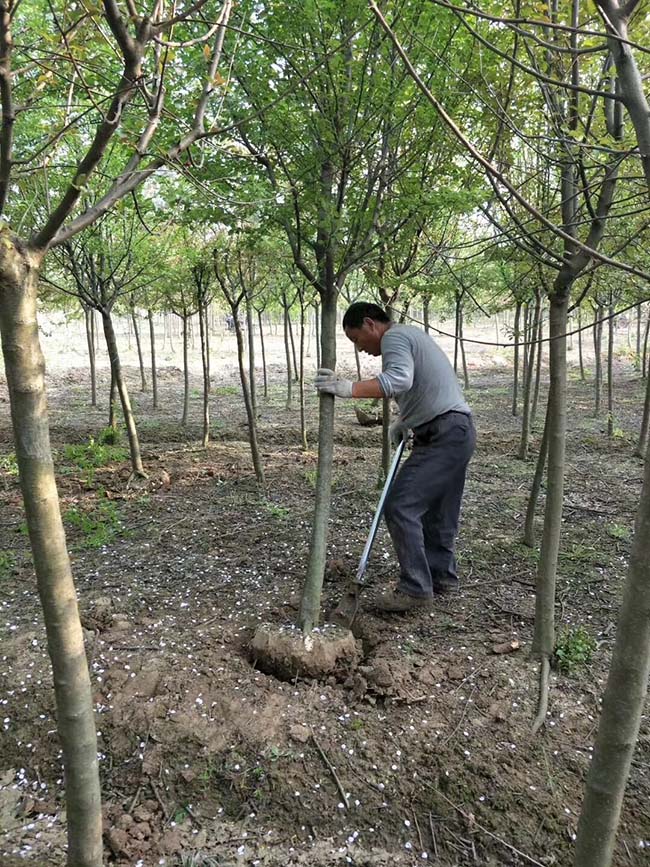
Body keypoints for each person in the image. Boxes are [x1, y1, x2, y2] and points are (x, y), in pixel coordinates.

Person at [315, 301, 475, 613]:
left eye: (356, 339)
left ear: (370, 324)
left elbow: (400, 380)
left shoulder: (395, 337)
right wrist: (405, 422)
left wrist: (348, 388)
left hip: (445, 434)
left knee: (400, 505)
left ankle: (415, 587)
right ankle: (442, 579)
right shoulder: (410, 336)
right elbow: (421, 387)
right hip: (455, 431)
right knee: (439, 512)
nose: (359, 349)